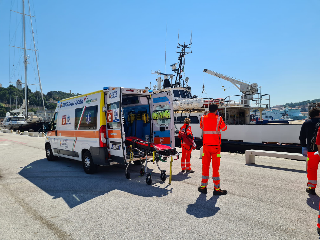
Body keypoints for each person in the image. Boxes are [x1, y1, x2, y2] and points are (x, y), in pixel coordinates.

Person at [198, 104, 227, 195]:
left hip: (206, 146)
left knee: (205, 166)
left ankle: (203, 187)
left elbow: (201, 127)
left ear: (209, 109)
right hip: (215, 147)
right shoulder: (219, 118)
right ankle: (216, 189)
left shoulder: (203, 118)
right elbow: (224, 128)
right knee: (215, 167)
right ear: (216, 110)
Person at [299, 108, 320, 195]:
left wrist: (304, 147)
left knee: (312, 169)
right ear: (319, 114)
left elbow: (302, 137)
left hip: (312, 151)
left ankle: (311, 188)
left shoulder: (306, 123)